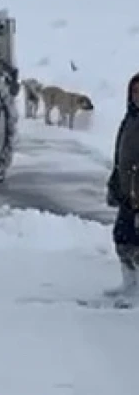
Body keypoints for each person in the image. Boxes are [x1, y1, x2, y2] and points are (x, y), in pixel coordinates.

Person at [105, 72, 139, 302]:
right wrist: (115, 183)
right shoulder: (130, 119)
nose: (138, 96)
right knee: (122, 238)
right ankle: (130, 284)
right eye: (135, 92)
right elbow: (121, 155)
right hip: (128, 192)